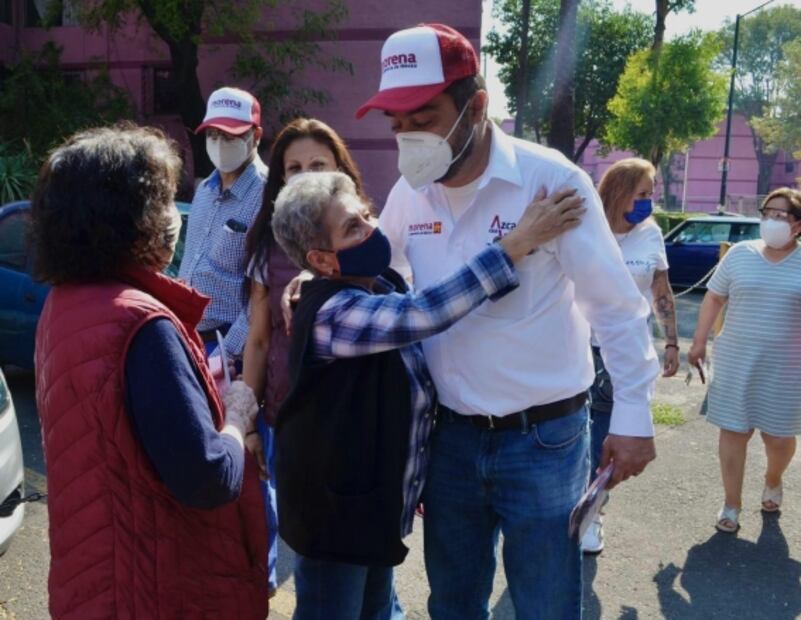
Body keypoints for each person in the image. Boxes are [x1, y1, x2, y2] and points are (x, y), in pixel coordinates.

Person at [355, 23, 660, 619]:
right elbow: (378, 274)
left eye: (424, 118)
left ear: (476, 106)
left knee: (546, 605)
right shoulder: (411, 193)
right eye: (396, 124)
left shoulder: (551, 182)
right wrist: (314, 288)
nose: (409, 138)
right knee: (454, 602)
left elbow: (614, 306)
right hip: (450, 439)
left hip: (545, 439)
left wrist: (633, 414)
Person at [271, 171, 585, 619]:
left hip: (367, 512)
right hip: (334, 521)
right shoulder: (333, 312)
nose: (372, 228)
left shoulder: (378, 284)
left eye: (366, 214)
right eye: (353, 228)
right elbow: (426, 312)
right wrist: (514, 245)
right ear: (321, 260)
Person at [31, 124, 269, 618]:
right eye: (163, 202)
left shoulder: (64, 303)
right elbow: (208, 476)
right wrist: (236, 417)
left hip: (94, 577)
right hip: (154, 586)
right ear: (130, 218)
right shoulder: (141, 325)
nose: (171, 217)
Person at [241, 118, 368, 595]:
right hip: (291, 414)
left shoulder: (365, 235)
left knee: (368, 551)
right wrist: (248, 423)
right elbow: (258, 341)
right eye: (294, 168)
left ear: (342, 171)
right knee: (317, 545)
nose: (305, 175)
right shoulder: (265, 246)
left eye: (318, 164)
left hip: (361, 417)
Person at [582, 158, 680, 554]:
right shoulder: (588, 226)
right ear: (618, 191)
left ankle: (593, 513)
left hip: (622, 354)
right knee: (571, 437)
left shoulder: (651, 233)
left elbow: (661, 291)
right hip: (579, 348)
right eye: (642, 194)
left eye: (651, 194)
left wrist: (671, 342)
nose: (648, 202)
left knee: (605, 440)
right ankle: (569, 506)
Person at [689, 187, 801, 534]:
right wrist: (698, 342)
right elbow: (714, 298)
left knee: (778, 438)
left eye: (781, 216)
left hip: (786, 368)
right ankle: (731, 503)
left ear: (798, 225)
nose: (771, 221)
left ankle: (773, 479)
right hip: (736, 359)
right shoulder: (739, 254)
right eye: (767, 213)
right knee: (734, 432)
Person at [179, 86, 268, 357]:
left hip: (227, 345)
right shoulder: (205, 189)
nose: (219, 144)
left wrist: (227, 352)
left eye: (231, 136)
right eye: (213, 135)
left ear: (256, 136)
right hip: (188, 337)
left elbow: (263, 291)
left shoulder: (267, 195)